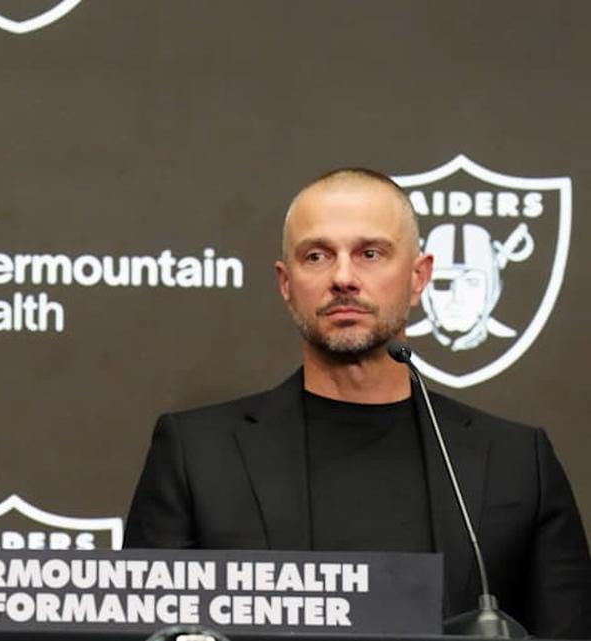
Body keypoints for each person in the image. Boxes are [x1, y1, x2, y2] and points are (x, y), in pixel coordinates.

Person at [125, 168, 591, 638]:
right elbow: (144, 630)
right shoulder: (197, 456)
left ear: (418, 277)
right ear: (286, 283)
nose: (343, 278)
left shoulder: (517, 461)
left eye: (370, 253)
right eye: (317, 256)